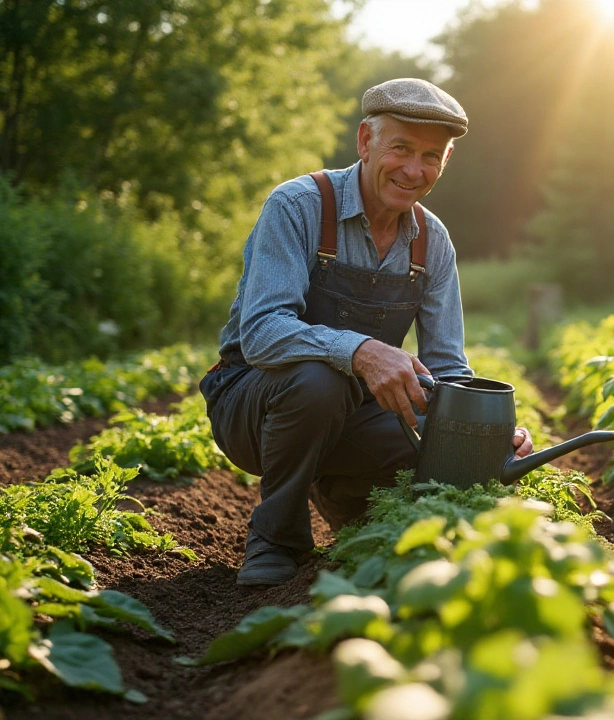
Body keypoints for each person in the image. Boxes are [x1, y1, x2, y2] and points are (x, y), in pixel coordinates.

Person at [199, 78, 533, 587]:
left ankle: (351, 511)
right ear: (364, 141)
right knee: (319, 381)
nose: (414, 170)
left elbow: (446, 365)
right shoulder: (298, 206)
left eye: (431, 156)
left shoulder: (433, 242)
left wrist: (483, 435)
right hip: (253, 403)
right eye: (400, 148)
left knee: (433, 454)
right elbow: (262, 332)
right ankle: (275, 540)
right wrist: (358, 350)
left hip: (348, 413)